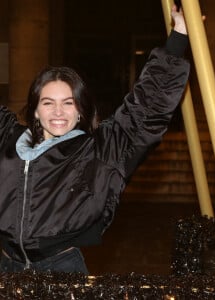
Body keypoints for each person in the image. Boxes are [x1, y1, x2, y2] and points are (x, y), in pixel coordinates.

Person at [0, 5, 190, 274]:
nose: (57, 112)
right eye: (48, 102)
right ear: (35, 109)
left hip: (61, 269)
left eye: (68, 103)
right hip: (7, 268)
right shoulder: (8, 139)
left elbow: (145, 108)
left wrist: (179, 35)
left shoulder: (98, 150)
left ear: (79, 111)